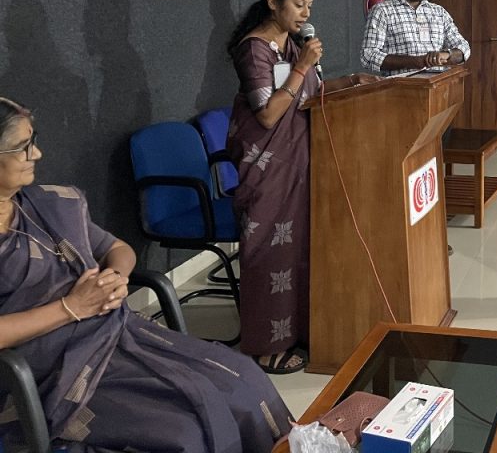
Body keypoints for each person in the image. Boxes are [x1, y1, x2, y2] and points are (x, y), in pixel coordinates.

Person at [0, 97, 292, 452]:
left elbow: (118, 249)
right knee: (185, 432)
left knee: (244, 380)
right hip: (47, 370)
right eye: (23, 146)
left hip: (112, 332)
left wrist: (114, 279)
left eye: (33, 140)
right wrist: (72, 307)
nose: (37, 153)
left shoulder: (47, 205)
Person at [226, 0, 376, 374]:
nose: (306, 14)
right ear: (273, 2)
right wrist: (302, 66)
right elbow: (268, 113)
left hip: (299, 163)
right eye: (298, 5)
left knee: (298, 252)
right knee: (267, 252)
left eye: (309, 6)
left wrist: (351, 81)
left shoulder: (293, 45)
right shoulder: (253, 49)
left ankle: (298, 330)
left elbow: (310, 94)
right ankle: (264, 346)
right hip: (266, 167)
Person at [360, 0, 470, 76]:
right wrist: (415, 62)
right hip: (401, 86)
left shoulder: (439, 13)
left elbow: (464, 48)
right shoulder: (382, 11)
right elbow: (368, 55)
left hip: (438, 85)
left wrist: (446, 54)